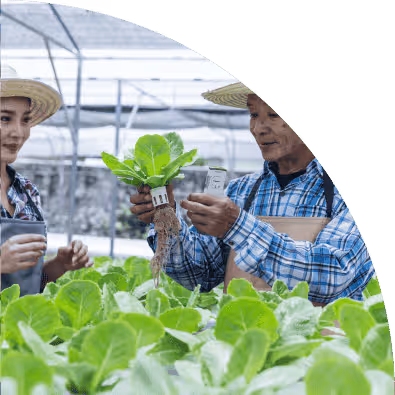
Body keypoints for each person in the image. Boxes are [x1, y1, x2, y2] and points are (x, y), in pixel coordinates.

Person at [130, 82, 375, 305]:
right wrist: (166, 220)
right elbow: (199, 274)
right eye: (253, 114)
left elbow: (331, 276)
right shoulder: (240, 191)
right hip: (243, 344)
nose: (258, 128)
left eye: (274, 114)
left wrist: (237, 226)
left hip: (319, 349)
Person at [0, 64, 91, 296]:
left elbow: (30, 282)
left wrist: (60, 264)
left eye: (25, 120)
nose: (18, 133)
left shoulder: (27, 191)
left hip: (22, 328)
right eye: (5, 118)